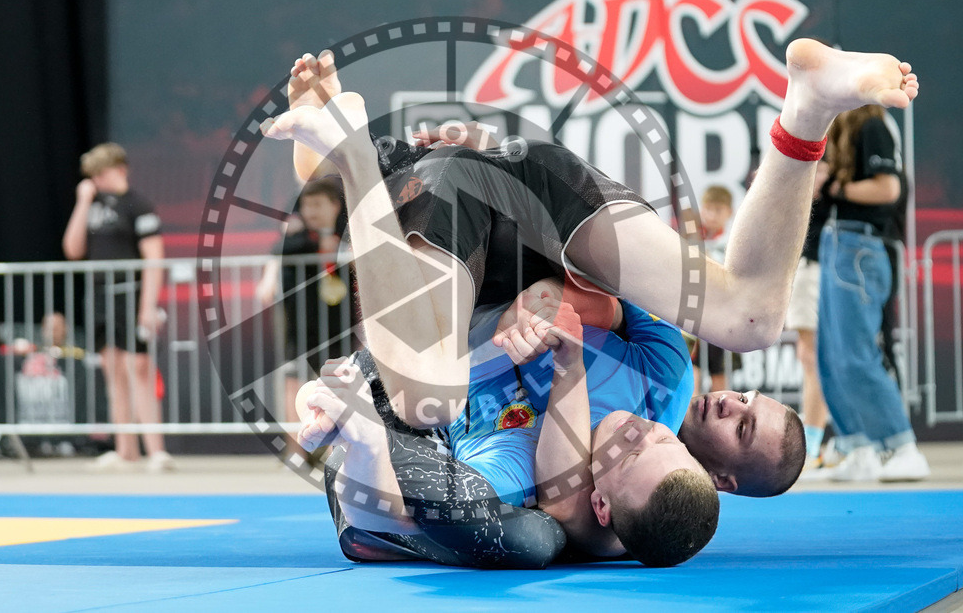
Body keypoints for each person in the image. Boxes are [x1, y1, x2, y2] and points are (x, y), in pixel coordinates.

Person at [262, 40, 918, 443]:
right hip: (505, 209)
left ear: (728, 476)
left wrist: (343, 395)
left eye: (742, 427)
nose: (733, 403)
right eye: (752, 407)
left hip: (510, 181)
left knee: (749, 315)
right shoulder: (672, 380)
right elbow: (604, 305)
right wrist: (555, 309)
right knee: (422, 395)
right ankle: (349, 151)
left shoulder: (638, 451)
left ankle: (806, 110)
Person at [298, 285, 718, 567]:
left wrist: (365, 439)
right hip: (449, 351)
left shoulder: (519, 484)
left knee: (527, 538)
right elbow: (619, 291)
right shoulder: (663, 390)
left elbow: (378, 515)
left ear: (601, 505)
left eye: (631, 456)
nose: (640, 430)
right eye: (664, 437)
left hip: (408, 439)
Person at [816, 105, 929, 482]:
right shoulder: (844, 128)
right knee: (831, 357)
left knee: (856, 355)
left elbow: (888, 187)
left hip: (858, 247)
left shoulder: (871, 124)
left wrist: (833, 186)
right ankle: (857, 447)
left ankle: (902, 447)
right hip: (839, 244)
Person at [62, 142, 174, 473]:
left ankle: (156, 450)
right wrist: (83, 202)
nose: (96, 181)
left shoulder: (138, 206)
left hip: (131, 292)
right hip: (99, 295)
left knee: (138, 368)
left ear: (119, 169)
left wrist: (147, 306)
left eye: (101, 173)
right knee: (112, 370)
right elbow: (72, 249)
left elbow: (155, 259)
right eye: (92, 176)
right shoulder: (92, 204)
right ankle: (125, 450)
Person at [255, 178, 355, 417]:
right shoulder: (296, 237)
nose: (310, 211)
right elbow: (279, 250)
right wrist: (269, 277)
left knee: (339, 382)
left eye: (317, 205)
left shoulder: (350, 231)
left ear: (334, 206)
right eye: (307, 205)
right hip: (298, 321)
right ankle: (296, 452)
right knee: (293, 380)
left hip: (338, 323)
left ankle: (337, 449)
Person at [786, 160, 833, 471]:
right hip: (809, 271)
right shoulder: (802, 190)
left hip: (818, 272)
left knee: (813, 357)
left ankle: (814, 444)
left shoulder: (830, 188)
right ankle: (815, 442)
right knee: (811, 357)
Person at [690, 185, 738, 393]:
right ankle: (688, 421)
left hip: (722, 319)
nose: (711, 215)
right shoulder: (690, 240)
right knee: (691, 372)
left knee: (720, 376)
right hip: (694, 321)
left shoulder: (733, 243)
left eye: (717, 210)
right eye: (707, 209)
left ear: (729, 212)